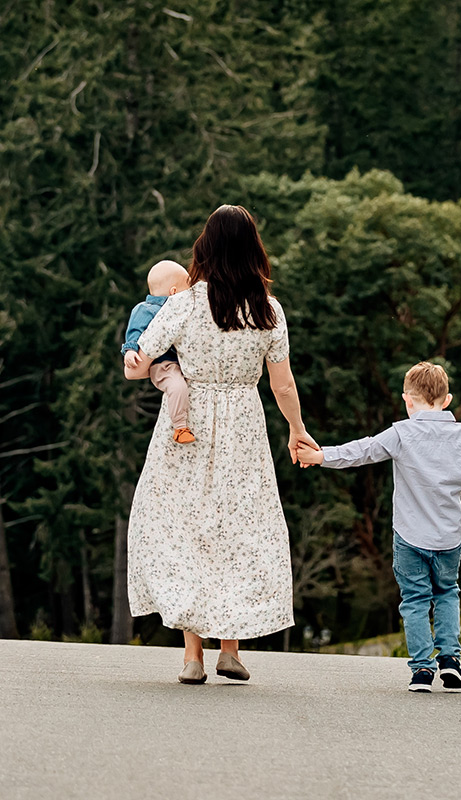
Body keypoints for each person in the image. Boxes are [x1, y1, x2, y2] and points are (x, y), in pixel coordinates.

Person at [124, 205, 317, 685]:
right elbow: (283, 384)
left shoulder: (185, 303)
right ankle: (229, 650)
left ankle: (193, 658)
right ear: (254, 249)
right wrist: (296, 428)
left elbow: (138, 360)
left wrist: (140, 362)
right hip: (243, 427)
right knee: (238, 530)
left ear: (204, 248)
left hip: (187, 426)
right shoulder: (269, 310)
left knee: (188, 528)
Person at [297, 362, 461, 693]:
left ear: (407, 400)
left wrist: (321, 456)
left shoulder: (400, 433)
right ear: (447, 399)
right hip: (449, 539)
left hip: (409, 537)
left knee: (415, 600)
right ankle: (450, 661)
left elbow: (362, 450)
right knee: (447, 594)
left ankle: (422, 669)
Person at [121, 260, 195, 444]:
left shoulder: (182, 312)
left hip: (180, 362)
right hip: (163, 364)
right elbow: (134, 332)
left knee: (183, 388)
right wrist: (130, 351)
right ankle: (180, 427)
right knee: (177, 387)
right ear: (174, 292)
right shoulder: (145, 310)